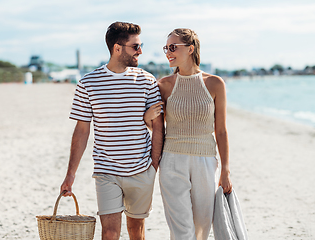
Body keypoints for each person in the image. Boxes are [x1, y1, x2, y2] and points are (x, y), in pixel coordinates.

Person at [60, 21, 164, 240]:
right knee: (109, 233)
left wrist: (154, 164)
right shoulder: (88, 83)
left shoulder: (147, 81)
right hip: (106, 172)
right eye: (135, 46)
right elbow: (81, 131)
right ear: (117, 48)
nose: (140, 51)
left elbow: (157, 127)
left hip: (142, 169)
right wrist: (70, 175)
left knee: (136, 230)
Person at [144, 28, 232, 240]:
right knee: (182, 231)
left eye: (173, 47)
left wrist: (226, 170)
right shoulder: (163, 85)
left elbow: (221, 131)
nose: (168, 52)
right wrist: (147, 118)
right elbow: (157, 127)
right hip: (172, 161)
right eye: (166, 48)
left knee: (201, 229)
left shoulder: (215, 83)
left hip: (205, 162)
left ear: (190, 49)